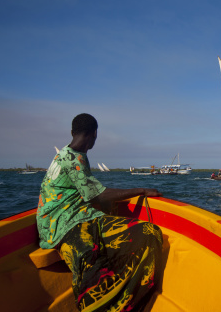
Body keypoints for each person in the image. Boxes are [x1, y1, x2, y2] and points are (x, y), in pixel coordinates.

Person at [37, 113, 163, 311]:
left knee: (149, 232)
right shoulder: (73, 159)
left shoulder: (70, 154)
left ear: (72, 132)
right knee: (91, 263)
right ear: (95, 134)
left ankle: (122, 302)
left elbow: (90, 194)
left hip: (84, 216)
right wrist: (141, 190)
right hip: (60, 225)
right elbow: (98, 196)